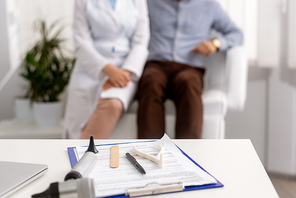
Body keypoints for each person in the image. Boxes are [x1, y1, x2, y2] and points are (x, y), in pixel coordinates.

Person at [137, 0, 243, 139]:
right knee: (151, 81)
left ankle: (187, 153)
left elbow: (237, 34)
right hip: (156, 64)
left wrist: (215, 44)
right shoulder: (150, 3)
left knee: (188, 82)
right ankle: (149, 152)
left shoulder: (209, 5)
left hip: (189, 67)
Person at [63, 0, 149, 139]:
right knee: (76, 127)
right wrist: (107, 69)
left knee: (113, 104)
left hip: (125, 68)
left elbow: (141, 41)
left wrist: (124, 72)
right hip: (89, 67)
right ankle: (75, 155)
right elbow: (81, 42)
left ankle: (83, 156)